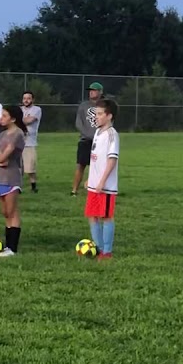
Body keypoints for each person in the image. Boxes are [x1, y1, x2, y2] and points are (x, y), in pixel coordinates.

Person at [0, 106, 27, 257]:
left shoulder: (18, 134)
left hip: (11, 177)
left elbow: (4, 155)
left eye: (4, 116)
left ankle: (12, 248)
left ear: (13, 119)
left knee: (12, 212)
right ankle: (7, 246)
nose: (1, 118)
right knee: (5, 212)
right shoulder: (2, 133)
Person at [85, 98, 120, 259]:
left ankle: (107, 251)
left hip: (105, 186)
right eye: (96, 113)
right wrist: (90, 179)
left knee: (106, 216)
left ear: (109, 116)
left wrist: (101, 181)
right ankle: (97, 248)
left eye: (100, 114)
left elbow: (112, 160)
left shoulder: (112, 135)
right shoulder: (98, 132)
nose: (96, 117)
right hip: (94, 185)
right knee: (92, 215)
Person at [72, 82, 105, 196]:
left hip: (100, 141)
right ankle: (74, 190)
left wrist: (100, 135)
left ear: (100, 92)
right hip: (85, 140)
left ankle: (95, 189)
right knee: (81, 165)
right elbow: (78, 122)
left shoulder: (104, 106)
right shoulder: (84, 105)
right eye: (90, 90)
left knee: (99, 166)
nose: (91, 92)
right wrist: (86, 134)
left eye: (94, 90)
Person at [19, 91, 42, 193]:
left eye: (28, 98)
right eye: (24, 98)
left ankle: (33, 186)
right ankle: (17, 187)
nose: (26, 100)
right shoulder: (20, 110)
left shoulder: (37, 109)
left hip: (30, 142)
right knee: (18, 166)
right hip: (19, 141)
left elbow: (29, 120)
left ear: (32, 99)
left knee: (30, 167)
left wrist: (19, 120)